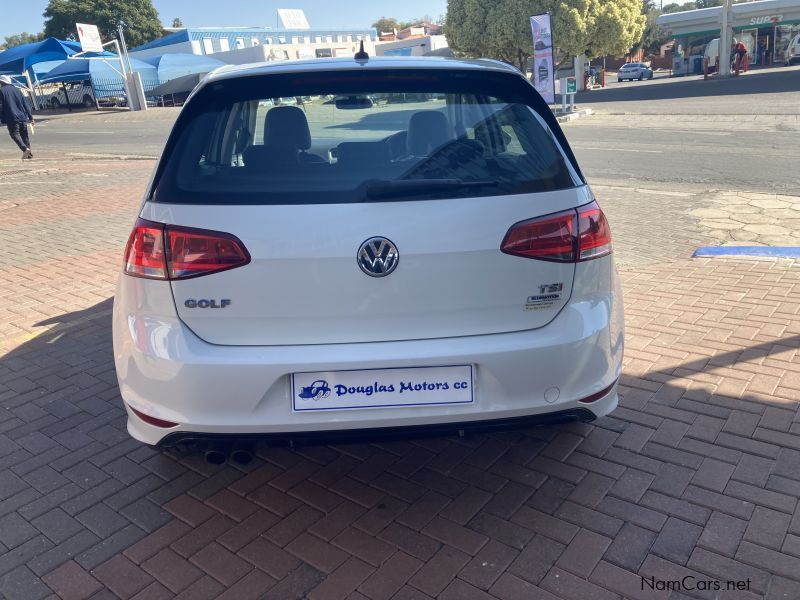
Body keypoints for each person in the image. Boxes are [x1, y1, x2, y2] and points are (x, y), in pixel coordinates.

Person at [0, 75, 34, 160]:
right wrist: (31, 118)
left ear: (2, 82)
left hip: (12, 117)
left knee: (14, 134)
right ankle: (29, 155)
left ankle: (25, 149)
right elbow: (25, 104)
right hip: (22, 117)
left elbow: (0, 106)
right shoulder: (18, 90)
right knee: (24, 136)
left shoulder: (1, 91)